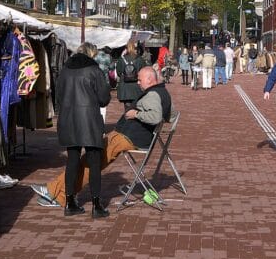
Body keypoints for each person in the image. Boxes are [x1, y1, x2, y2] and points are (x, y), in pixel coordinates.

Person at [31, 66, 172, 209]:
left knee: (90, 162)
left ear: (149, 79)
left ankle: (55, 192)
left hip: (129, 138)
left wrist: (136, 114)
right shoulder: (161, 92)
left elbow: (155, 117)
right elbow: (166, 115)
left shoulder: (153, 94)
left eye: (140, 80)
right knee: (89, 161)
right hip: (129, 136)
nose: (137, 82)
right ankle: (55, 191)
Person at [55, 42, 111, 218]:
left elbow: (58, 97)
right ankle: (96, 205)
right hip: (89, 121)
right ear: (91, 54)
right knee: (94, 163)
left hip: (69, 119)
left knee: (72, 161)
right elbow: (103, 99)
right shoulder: (94, 70)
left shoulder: (64, 71)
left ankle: (70, 202)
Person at [116, 39, 146, 110]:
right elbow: (144, 72)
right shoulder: (140, 59)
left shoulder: (121, 59)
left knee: (127, 109)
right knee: (136, 109)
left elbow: (119, 73)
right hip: (137, 87)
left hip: (125, 87)